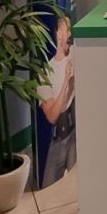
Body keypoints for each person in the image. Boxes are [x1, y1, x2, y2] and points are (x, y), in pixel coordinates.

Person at [37, 15, 76, 187]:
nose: (70, 34)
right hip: (58, 137)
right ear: (59, 33)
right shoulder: (45, 73)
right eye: (67, 30)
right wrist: (66, 81)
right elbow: (51, 116)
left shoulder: (75, 54)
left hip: (75, 133)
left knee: (77, 186)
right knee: (48, 186)